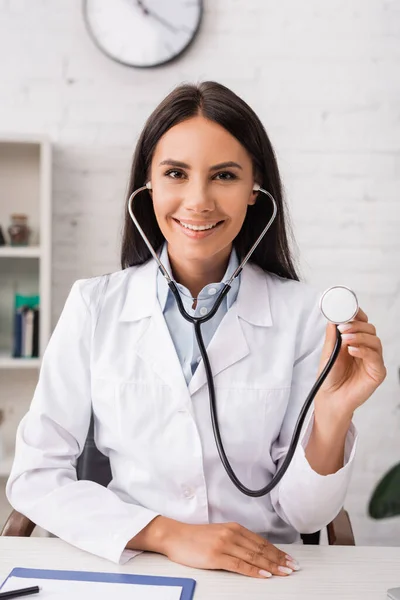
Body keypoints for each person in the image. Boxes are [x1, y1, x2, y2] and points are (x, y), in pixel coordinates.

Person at [6, 81, 386, 579]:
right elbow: (35, 476)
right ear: (149, 185)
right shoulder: (94, 305)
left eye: (224, 175)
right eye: (176, 174)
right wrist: (167, 533)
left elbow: (306, 516)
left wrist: (332, 416)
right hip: (133, 566)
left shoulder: (302, 315)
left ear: (255, 190)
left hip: (261, 573)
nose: (198, 200)